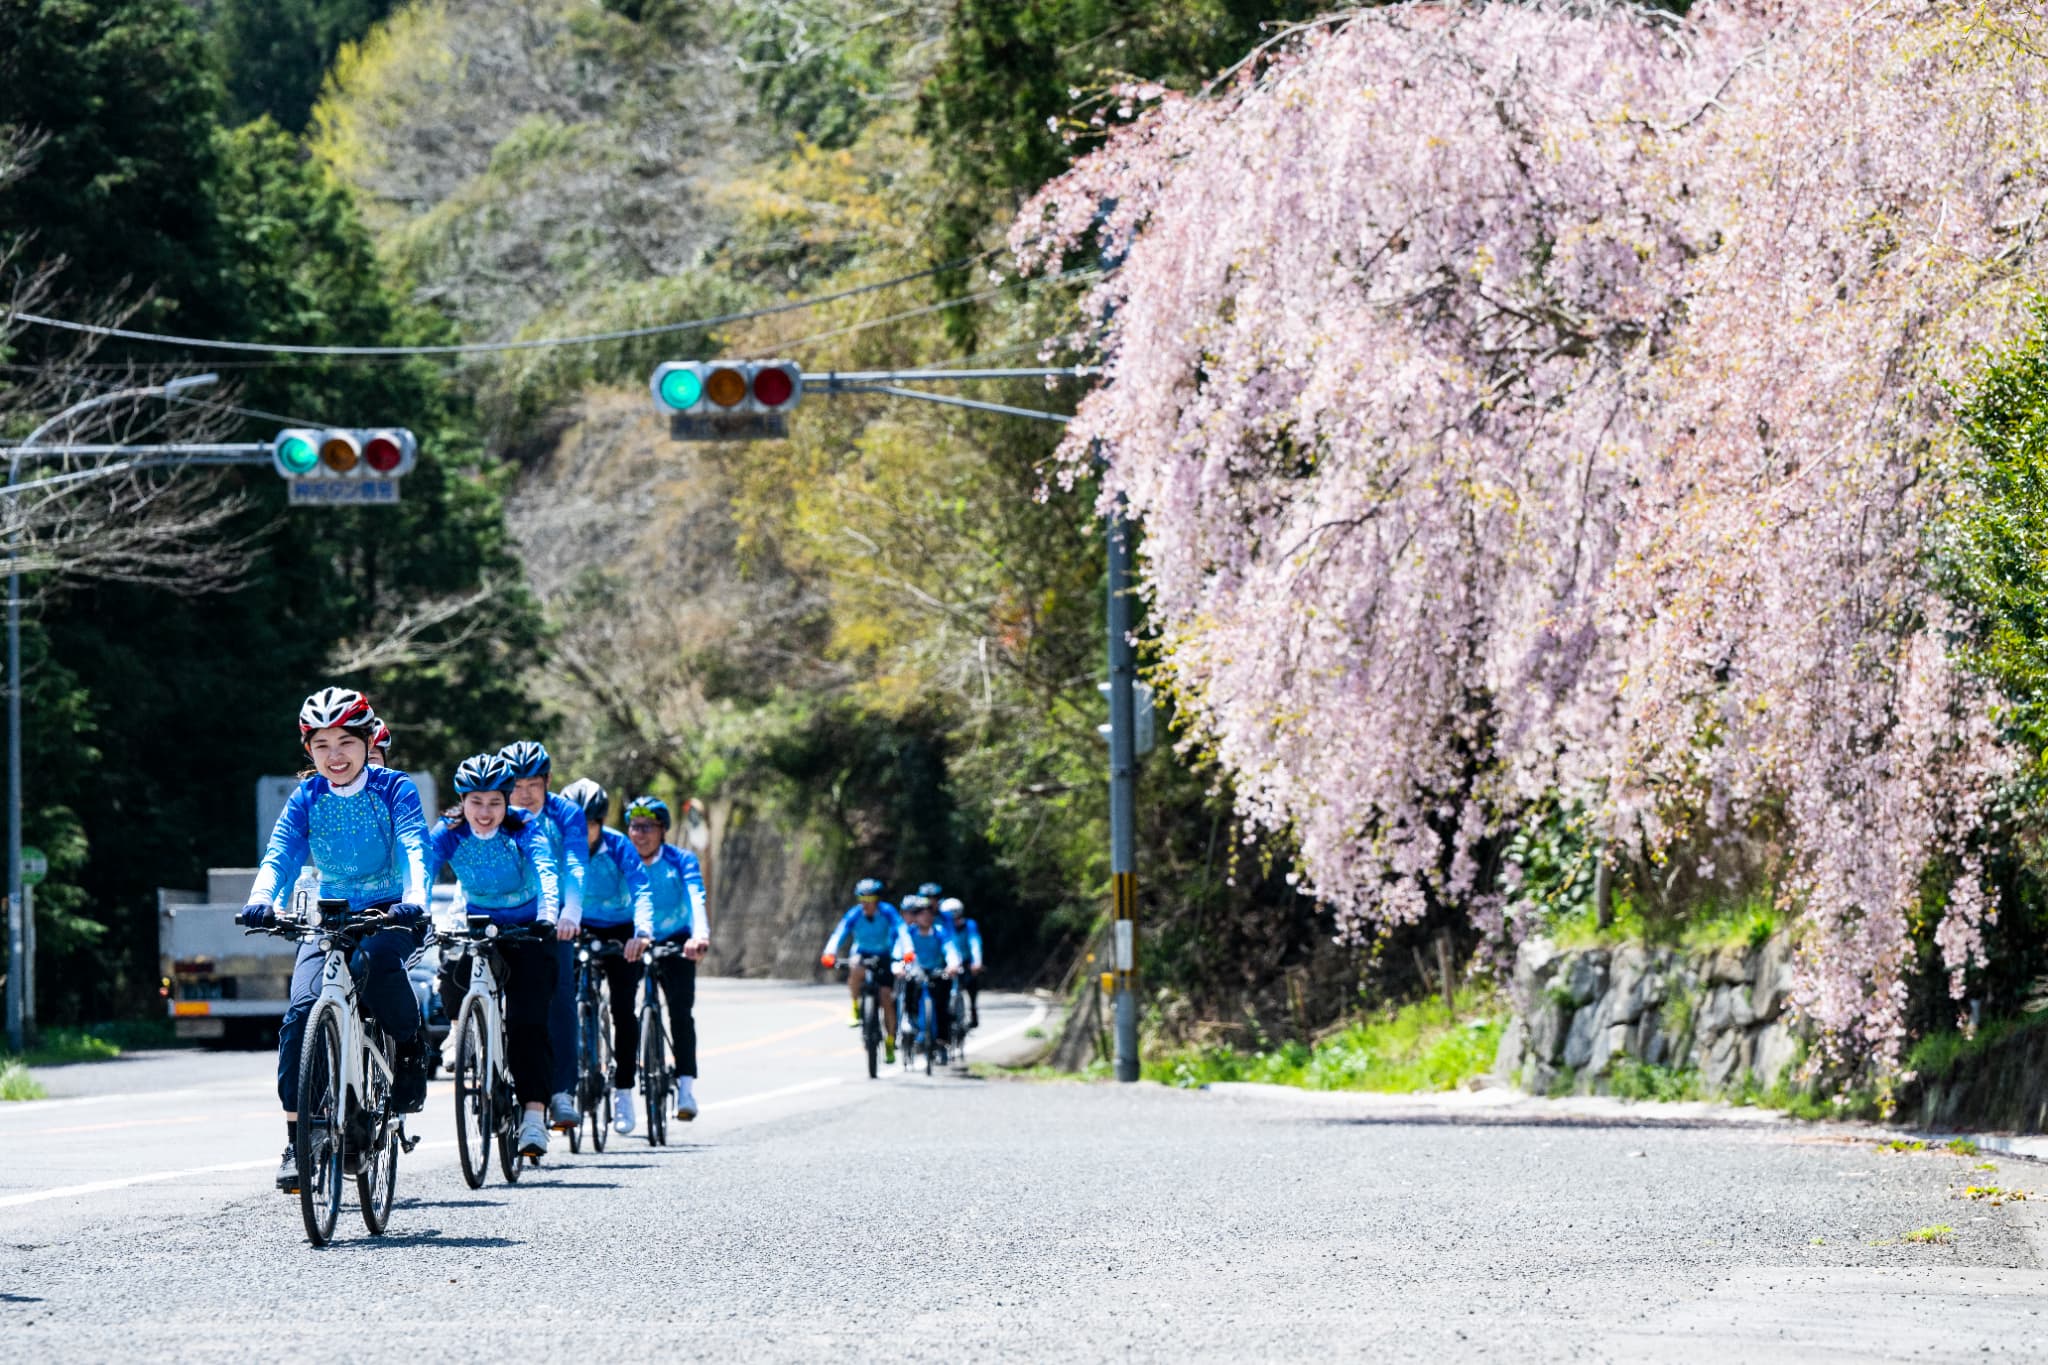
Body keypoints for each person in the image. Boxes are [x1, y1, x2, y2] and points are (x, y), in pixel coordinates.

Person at [241, 687, 432, 1194]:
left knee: (373, 962)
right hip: (329, 915)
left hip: (392, 910)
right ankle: (297, 1140)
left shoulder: (394, 788)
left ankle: (410, 1045)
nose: (335, 755)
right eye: (322, 745)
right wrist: (262, 897)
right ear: (309, 751)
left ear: (369, 742)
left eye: (346, 741)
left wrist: (416, 895)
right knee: (302, 1012)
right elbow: (280, 852)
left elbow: (416, 844)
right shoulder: (307, 797)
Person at [430, 753, 563, 1159]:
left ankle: (535, 1117)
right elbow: (421, 869)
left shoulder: (525, 827)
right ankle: (460, 1028)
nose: (485, 813)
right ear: (462, 801)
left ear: (507, 802)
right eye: (476, 802)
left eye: (494, 803)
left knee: (527, 1023)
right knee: (452, 965)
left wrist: (548, 915)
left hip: (527, 927)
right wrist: (413, 908)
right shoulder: (449, 831)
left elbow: (547, 871)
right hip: (476, 922)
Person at [499, 740, 590, 1133]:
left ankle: (561, 1091)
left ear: (548, 782)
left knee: (559, 996)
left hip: (551, 919)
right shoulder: (493, 809)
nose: (523, 793)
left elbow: (574, 864)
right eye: (516, 785)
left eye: (533, 784)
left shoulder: (565, 814)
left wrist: (569, 913)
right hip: (501, 914)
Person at [560, 778, 656, 1135]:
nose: (580, 832)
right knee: (562, 1004)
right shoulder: (559, 845)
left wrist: (642, 933)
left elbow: (642, 888)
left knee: (622, 1011)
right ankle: (571, 1083)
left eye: (588, 825)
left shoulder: (618, 846)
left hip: (620, 932)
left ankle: (625, 1091)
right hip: (573, 926)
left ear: (601, 822)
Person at [623, 795, 710, 1119]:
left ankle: (686, 1088)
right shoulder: (622, 858)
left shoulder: (681, 860)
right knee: (623, 1010)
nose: (639, 833)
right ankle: (622, 1088)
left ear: (663, 830)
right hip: (633, 940)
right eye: (634, 826)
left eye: (647, 827)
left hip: (676, 941)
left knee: (680, 1013)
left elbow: (695, 897)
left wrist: (699, 935)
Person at [820, 877, 904, 1063]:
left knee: (886, 998)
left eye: (870, 899)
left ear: (877, 900)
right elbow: (839, 933)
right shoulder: (854, 914)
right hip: (861, 952)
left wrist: (908, 952)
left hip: (883, 955)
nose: (865, 904)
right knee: (855, 968)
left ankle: (890, 1041)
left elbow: (902, 931)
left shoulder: (888, 912)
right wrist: (829, 952)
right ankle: (856, 1007)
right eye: (862, 899)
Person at [896, 895, 962, 1064]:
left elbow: (950, 950)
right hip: (915, 973)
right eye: (921, 913)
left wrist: (952, 965)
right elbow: (902, 954)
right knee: (909, 993)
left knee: (943, 1003)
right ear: (915, 916)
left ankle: (942, 1037)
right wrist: (900, 966)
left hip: (937, 973)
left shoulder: (940, 932)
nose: (925, 917)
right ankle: (910, 1022)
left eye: (929, 913)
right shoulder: (908, 933)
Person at [939, 896, 983, 1029]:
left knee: (972, 984)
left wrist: (977, 961)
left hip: (966, 962)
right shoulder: (942, 928)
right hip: (947, 963)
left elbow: (975, 943)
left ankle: (973, 1010)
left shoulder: (969, 925)